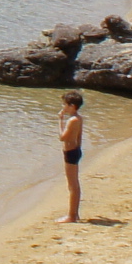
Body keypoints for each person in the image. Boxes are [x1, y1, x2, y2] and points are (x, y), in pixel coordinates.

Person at [54, 91, 85, 223]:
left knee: (72, 185)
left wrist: (60, 120)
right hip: (75, 150)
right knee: (74, 184)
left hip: (71, 152)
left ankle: (72, 215)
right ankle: (74, 214)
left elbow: (62, 137)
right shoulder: (79, 118)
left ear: (72, 106)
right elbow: (79, 137)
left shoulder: (72, 121)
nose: (63, 107)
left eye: (65, 104)